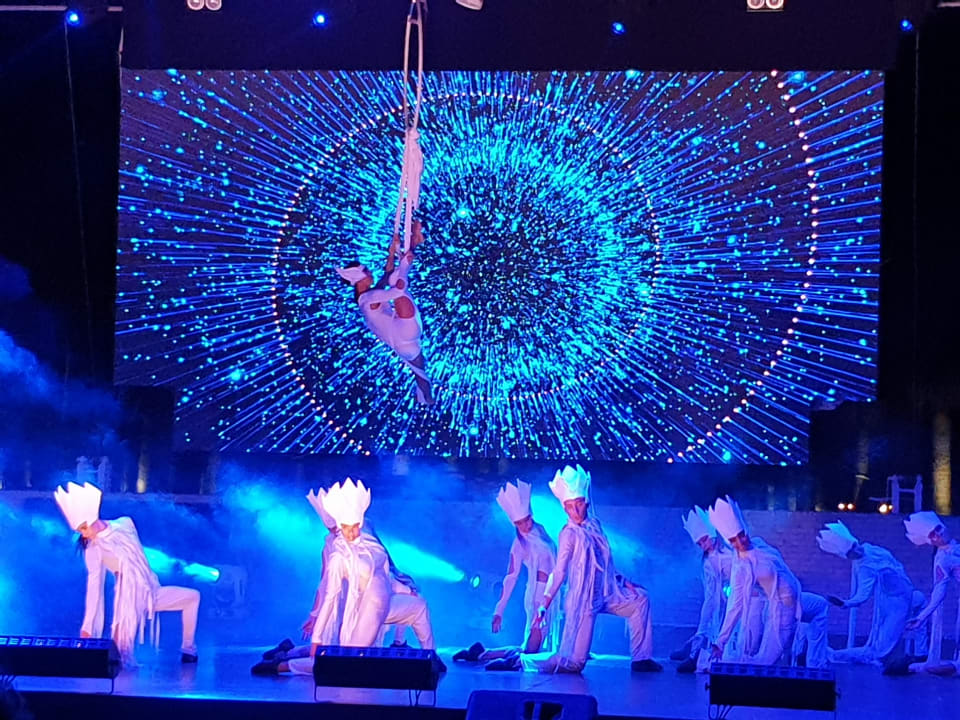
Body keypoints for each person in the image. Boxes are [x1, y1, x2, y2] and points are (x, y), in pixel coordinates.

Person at [252, 478, 440, 676]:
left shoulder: (370, 540)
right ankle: (282, 665)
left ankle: (430, 660)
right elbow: (328, 591)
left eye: (354, 526)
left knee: (419, 606)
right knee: (347, 658)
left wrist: (403, 583)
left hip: (383, 603)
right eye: (344, 528)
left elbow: (382, 573)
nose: (350, 532)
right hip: (359, 609)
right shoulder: (337, 555)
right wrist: (316, 631)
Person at [510, 465, 660, 673]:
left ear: (586, 503)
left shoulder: (595, 526)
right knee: (573, 663)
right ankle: (523, 661)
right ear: (565, 508)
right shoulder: (568, 534)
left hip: (606, 592)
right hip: (583, 600)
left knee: (640, 599)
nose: (576, 510)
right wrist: (544, 603)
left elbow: (605, 563)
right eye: (570, 506)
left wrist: (623, 581)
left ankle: (641, 659)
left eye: (579, 504)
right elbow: (560, 571)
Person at [54, 482, 200, 666]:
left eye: (84, 528)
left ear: (93, 519)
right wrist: (87, 628)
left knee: (192, 597)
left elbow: (136, 555)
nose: (83, 534)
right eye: (79, 530)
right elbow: (94, 586)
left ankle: (189, 649)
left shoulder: (125, 524)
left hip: (150, 591)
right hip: (127, 601)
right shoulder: (93, 549)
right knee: (120, 655)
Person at [453, 480, 558, 668]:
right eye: (519, 523)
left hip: (550, 592)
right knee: (532, 649)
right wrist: (498, 611)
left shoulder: (540, 530)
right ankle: (510, 662)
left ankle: (482, 653)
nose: (524, 526)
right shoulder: (519, 544)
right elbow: (511, 577)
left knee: (529, 647)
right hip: (538, 596)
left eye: (526, 520)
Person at [336, 220, 433, 405]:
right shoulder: (368, 299)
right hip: (404, 331)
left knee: (422, 379)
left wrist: (392, 252)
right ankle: (415, 242)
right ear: (358, 278)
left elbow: (386, 275)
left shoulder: (366, 299)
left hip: (404, 342)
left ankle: (426, 402)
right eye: (366, 271)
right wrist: (403, 265)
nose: (370, 273)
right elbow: (396, 289)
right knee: (397, 282)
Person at [708, 495, 802, 666]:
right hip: (781, 612)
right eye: (733, 540)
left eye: (741, 535)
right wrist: (721, 641)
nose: (740, 542)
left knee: (820, 607)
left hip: (799, 601)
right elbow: (735, 605)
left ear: (745, 530)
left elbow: (782, 569)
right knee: (766, 661)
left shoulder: (759, 543)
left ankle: (820, 661)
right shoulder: (742, 568)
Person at [816, 520, 925, 665]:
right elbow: (863, 594)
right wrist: (846, 603)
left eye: (854, 546)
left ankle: (921, 654)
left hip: (908, 594)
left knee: (921, 610)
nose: (856, 551)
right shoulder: (864, 569)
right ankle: (835, 655)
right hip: (894, 604)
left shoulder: (872, 549)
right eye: (851, 553)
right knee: (879, 649)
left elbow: (895, 565)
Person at [894, 512, 960, 676]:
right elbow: (939, 591)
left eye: (937, 530)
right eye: (932, 536)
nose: (938, 535)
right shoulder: (942, 560)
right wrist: (921, 617)